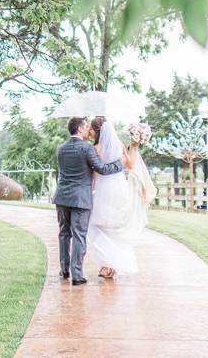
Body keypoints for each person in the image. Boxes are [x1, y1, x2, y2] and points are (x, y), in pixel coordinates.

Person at [52, 116, 129, 286]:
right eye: (86, 126)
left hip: (62, 197)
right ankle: (77, 275)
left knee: (64, 234)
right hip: (81, 199)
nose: (89, 129)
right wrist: (119, 163)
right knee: (79, 236)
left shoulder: (60, 148)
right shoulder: (87, 149)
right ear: (79, 129)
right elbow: (102, 169)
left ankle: (64, 270)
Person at [87, 117, 156, 278]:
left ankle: (107, 264)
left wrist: (89, 190)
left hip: (105, 189)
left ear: (97, 131)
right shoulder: (118, 144)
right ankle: (109, 265)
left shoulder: (95, 149)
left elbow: (95, 173)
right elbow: (130, 164)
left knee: (103, 225)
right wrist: (132, 146)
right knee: (115, 226)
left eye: (90, 128)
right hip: (119, 188)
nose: (89, 130)